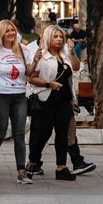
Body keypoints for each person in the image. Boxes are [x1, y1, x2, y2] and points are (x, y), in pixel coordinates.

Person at [26, 26, 82, 180]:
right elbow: (31, 78)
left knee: (62, 133)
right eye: (55, 36)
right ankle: (32, 162)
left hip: (64, 99)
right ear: (48, 38)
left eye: (61, 37)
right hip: (46, 98)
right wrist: (48, 84)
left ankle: (61, 167)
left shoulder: (64, 55)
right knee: (43, 133)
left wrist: (72, 52)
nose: (58, 39)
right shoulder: (41, 56)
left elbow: (76, 68)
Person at [0, 20, 33, 183]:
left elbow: (30, 73)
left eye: (13, 30)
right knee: (0, 133)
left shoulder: (23, 50)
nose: (11, 33)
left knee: (19, 134)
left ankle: (21, 171)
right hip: (0, 96)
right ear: (1, 33)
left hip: (19, 95)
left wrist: (36, 60)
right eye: (7, 31)